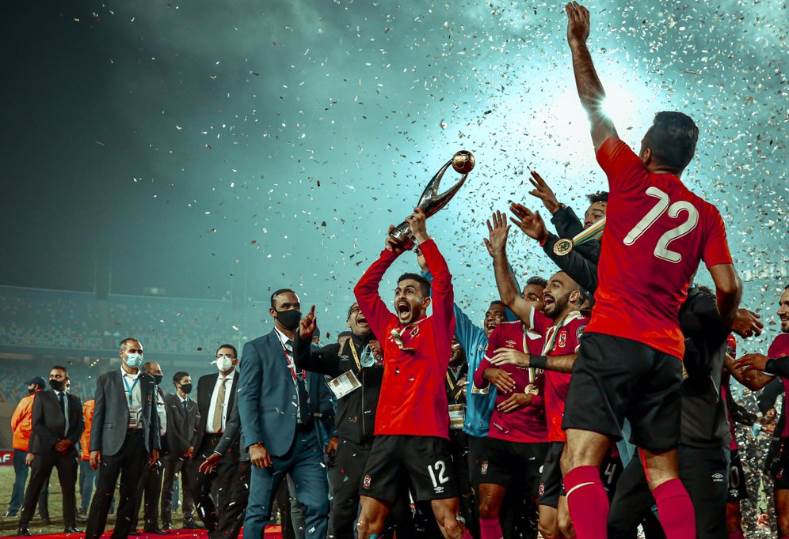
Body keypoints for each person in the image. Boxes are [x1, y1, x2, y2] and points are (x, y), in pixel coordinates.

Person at [557, 4, 742, 538]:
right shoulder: (706, 214)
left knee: (580, 460)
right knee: (664, 472)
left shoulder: (628, 176)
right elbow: (728, 286)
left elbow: (594, 107)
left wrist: (579, 45)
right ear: (687, 160)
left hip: (612, 336)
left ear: (643, 150)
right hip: (665, 353)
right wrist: (720, 321)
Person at [352, 208, 471, 539]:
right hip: (387, 437)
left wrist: (421, 237)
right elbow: (363, 291)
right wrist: (392, 252)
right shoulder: (387, 326)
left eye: (409, 291)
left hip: (427, 437)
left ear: (426, 301)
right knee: (366, 525)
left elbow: (443, 282)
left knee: (450, 524)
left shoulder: (437, 329)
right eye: (398, 291)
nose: (400, 295)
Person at [607, 289, 762, 538]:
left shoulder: (699, 304)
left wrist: (729, 315)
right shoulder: (646, 310)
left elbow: (709, 307)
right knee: (617, 522)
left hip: (700, 444)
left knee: (708, 531)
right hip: (654, 445)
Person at [294, 302, 417, 539]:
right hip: (350, 444)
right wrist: (303, 339)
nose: (361, 313)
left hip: (385, 444)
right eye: (355, 310)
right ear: (348, 321)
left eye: (366, 310)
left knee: (397, 509)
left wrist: (389, 351)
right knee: (342, 508)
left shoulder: (391, 348)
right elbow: (304, 361)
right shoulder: (337, 351)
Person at [237, 290, 332, 539]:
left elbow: (324, 398)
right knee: (258, 512)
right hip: (270, 444)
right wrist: (254, 442)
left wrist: (331, 434)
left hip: (308, 442)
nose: (292, 310)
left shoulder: (313, 351)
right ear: (273, 312)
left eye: (296, 306)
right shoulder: (256, 349)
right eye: (286, 306)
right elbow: (247, 399)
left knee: (319, 506)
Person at [85, 338, 161, 539]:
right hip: (112, 442)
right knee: (104, 492)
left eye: (140, 351)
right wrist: (94, 447)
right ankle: (93, 535)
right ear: (122, 353)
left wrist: (155, 445)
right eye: (132, 350)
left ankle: (120, 535)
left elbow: (153, 415)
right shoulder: (107, 379)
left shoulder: (148, 381)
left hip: (139, 442)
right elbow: (98, 416)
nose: (137, 354)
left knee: (131, 495)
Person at [734, 285, 789, 538]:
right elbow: (756, 382)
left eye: (787, 305)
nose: (780, 311)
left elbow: (773, 366)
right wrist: (725, 359)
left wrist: (769, 363)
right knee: (784, 522)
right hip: (787, 440)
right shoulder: (782, 342)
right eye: (780, 304)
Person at [17, 366, 84, 535]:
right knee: (35, 487)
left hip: (68, 451)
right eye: (51, 376)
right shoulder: (41, 396)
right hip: (45, 449)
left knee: (69, 490)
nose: (53, 378)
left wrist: (69, 441)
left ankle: (70, 524)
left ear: (66, 379)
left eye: (58, 376)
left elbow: (79, 426)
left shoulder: (75, 400)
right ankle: (23, 525)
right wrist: (55, 442)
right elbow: (36, 424)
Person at [190, 345, 240, 531]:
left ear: (236, 360)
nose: (223, 358)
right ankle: (214, 528)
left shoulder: (243, 381)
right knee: (196, 488)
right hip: (205, 443)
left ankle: (223, 533)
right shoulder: (205, 381)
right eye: (220, 355)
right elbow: (202, 414)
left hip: (230, 445)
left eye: (228, 355)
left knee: (225, 494)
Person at [198, 404, 250, 539]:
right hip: (248, 454)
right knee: (237, 503)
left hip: (285, 449)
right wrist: (219, 452)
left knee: (289, 505)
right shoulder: (243, 389)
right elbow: (234, 422)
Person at [129, 361, 168, 534]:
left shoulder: (161, 392)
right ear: (146, 373)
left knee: (154, 489)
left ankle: (151, 524)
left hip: (159, 447)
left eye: (160, 371)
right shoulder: (139, 391)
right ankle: (130, 525)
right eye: (156, 372)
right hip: (142, 447)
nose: (160, 375)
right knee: (136, 489)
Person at [6, 377, 49, 522]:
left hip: (22, 445)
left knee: (20, 478)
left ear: (35, 386)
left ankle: (13, 509)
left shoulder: (26, 400)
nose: (27, 387)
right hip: (39, 446)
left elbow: (14, 421)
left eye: (29, 384)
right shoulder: (50, 402)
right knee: (39, 480)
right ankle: (38, 510)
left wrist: (20, 434)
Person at [161, 371, 200, 530]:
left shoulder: (193, 404)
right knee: (169, 487)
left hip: (190, 454)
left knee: (189, 487)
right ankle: (166, 520)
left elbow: (198, 428)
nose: (188, 383)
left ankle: (188, 518)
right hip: (173, 452)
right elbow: (171, 429)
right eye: (185, 381)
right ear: (177, 384)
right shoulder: (168, 401)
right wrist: (187, 446)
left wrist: (193, 446)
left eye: (190, 380)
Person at [78, 398, 95, 520]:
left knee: (85, 480)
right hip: (95, 449)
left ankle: (84, 508)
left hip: (86, 449)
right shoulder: (100, 407)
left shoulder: (85, 407)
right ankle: (110, 507)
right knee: (97, 480)